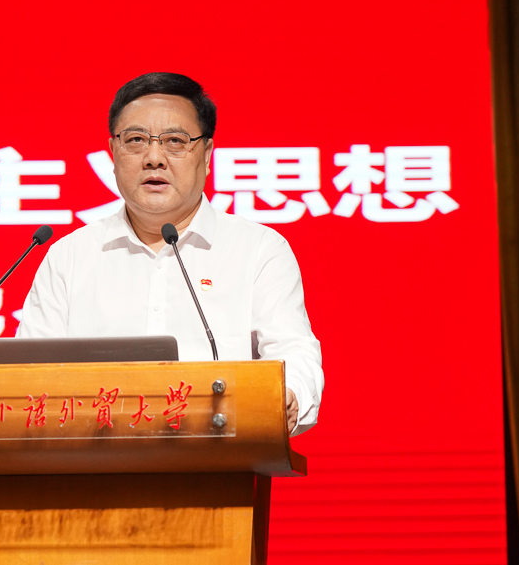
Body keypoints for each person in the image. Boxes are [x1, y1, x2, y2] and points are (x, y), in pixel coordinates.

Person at [17, 72, 323, 435]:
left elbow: (293, 350)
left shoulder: (257, 249)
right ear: (113, 153)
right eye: (135, 140)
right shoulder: (69, 256)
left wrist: (289, 395)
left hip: (220, 459)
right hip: (92, 460)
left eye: (175, 141)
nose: (154, 158)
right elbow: (26, 375)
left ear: (206, 155)